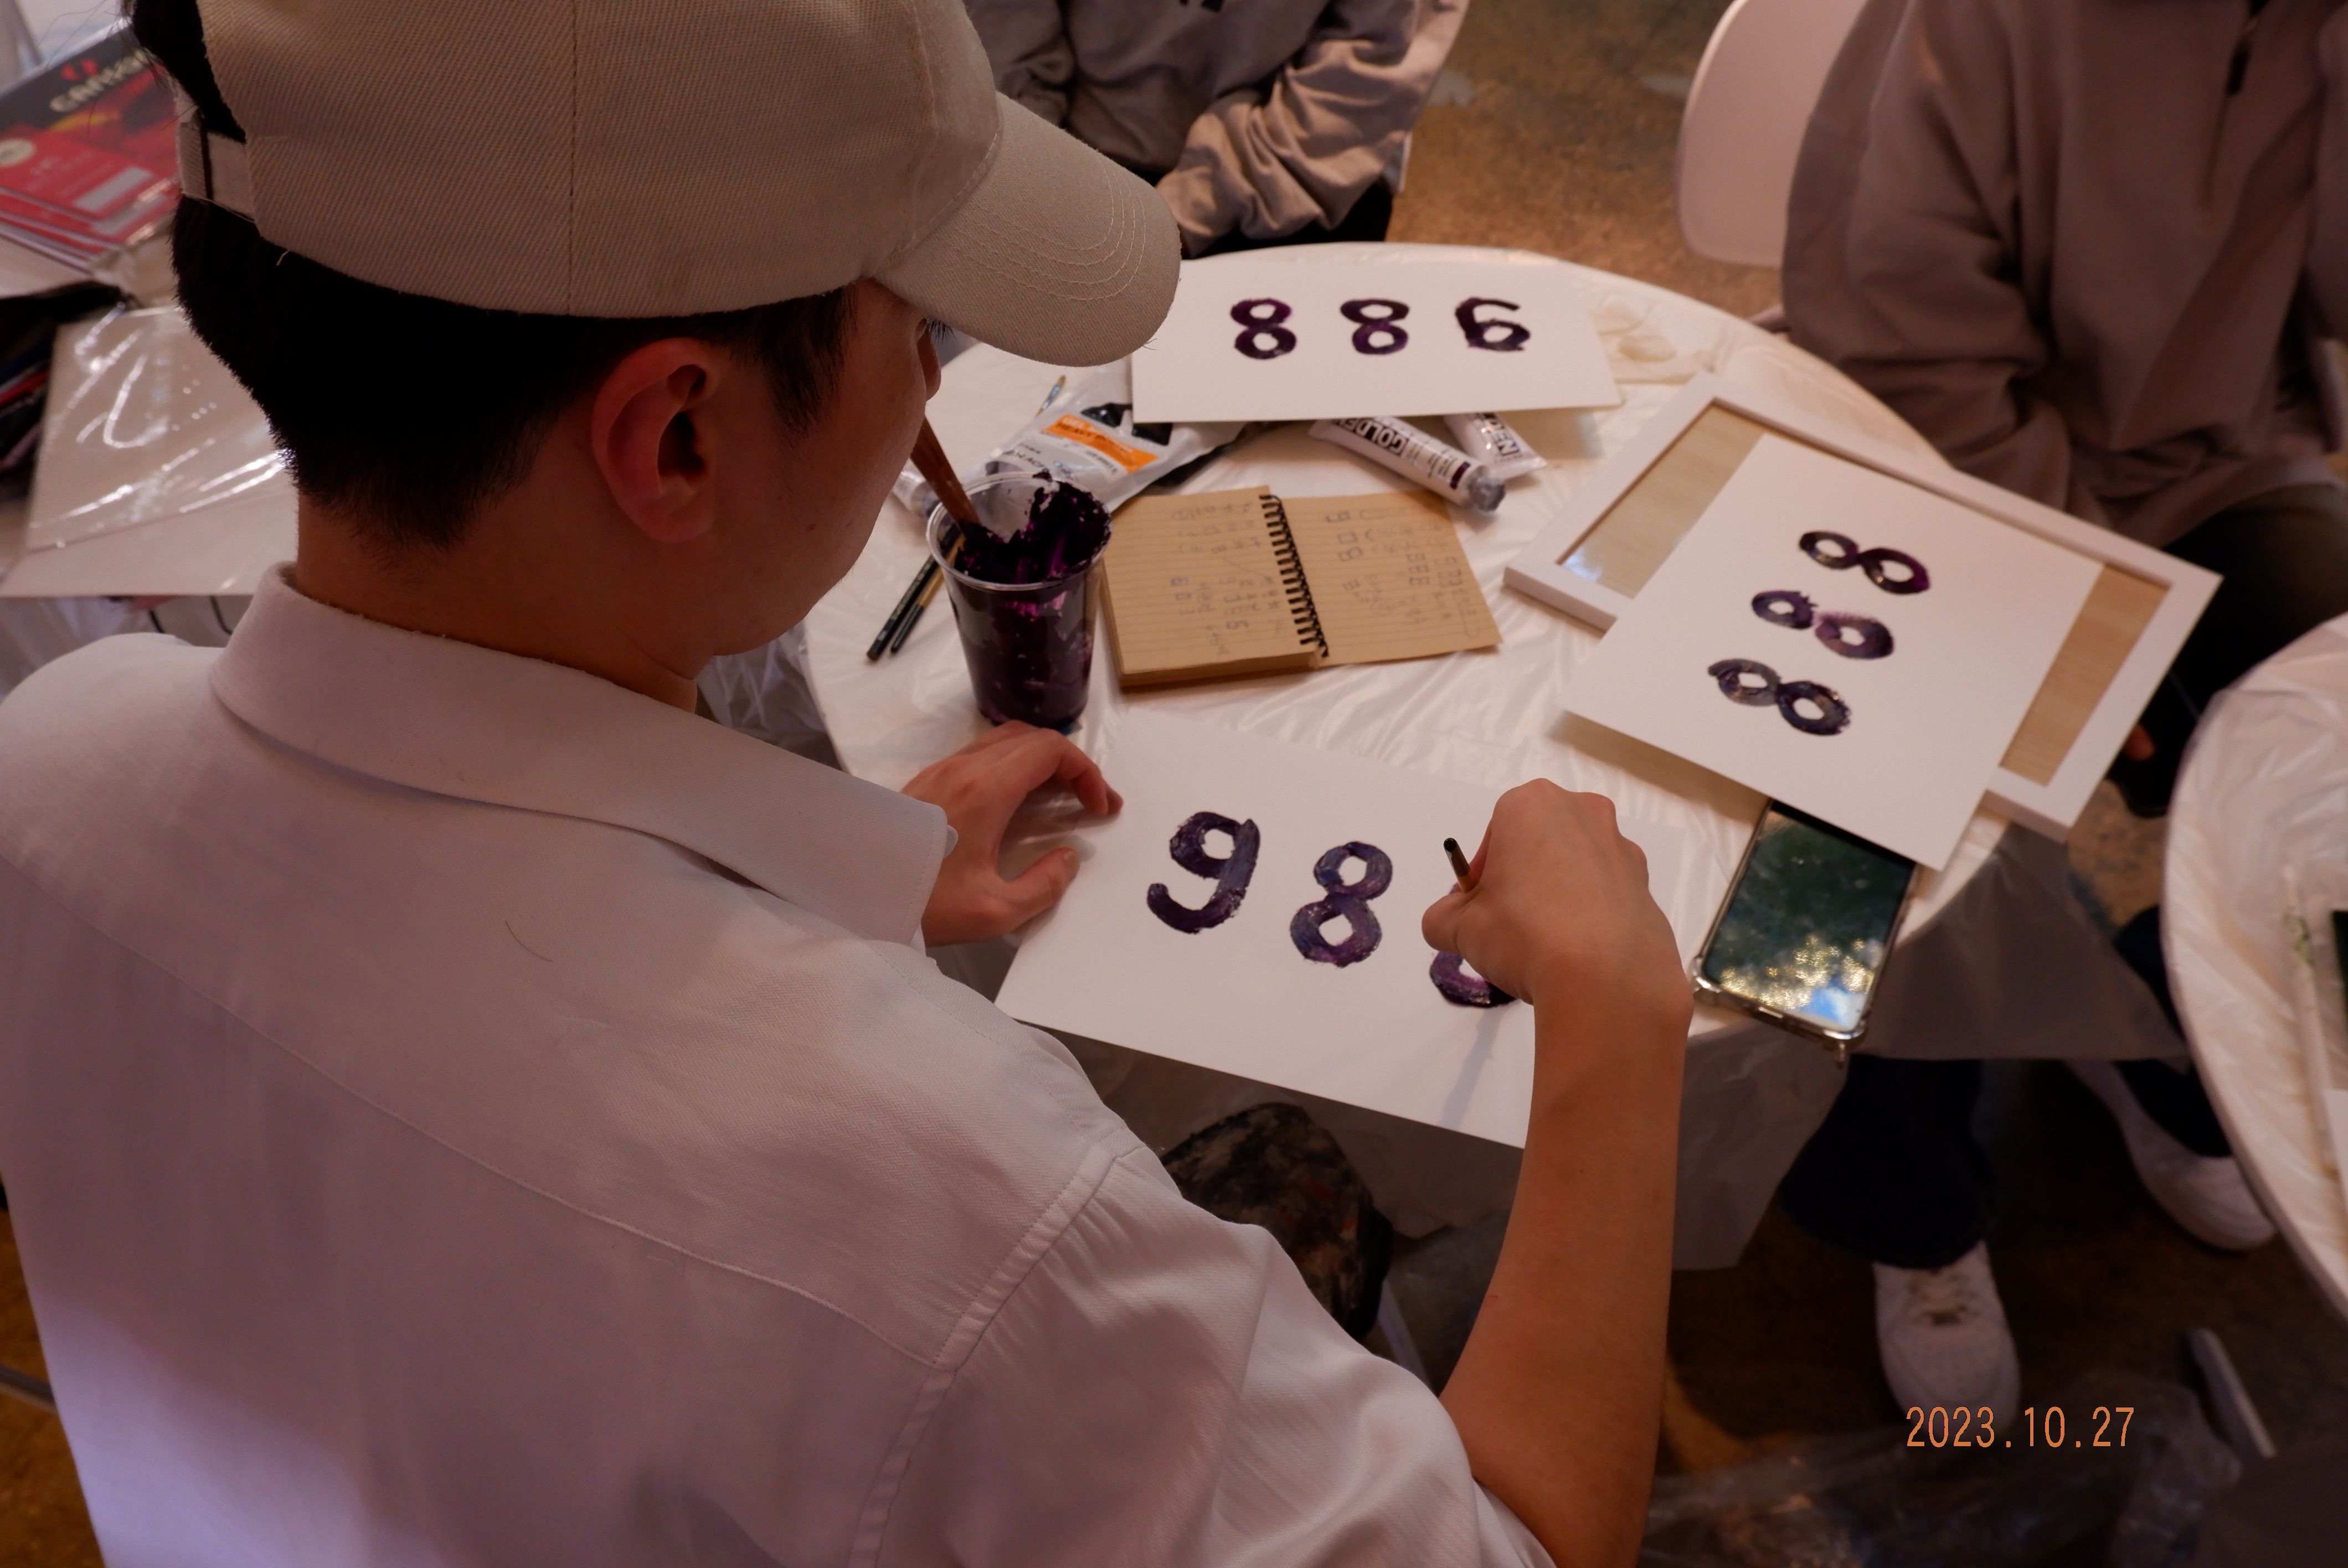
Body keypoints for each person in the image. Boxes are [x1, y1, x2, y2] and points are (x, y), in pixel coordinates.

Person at [0, 0, 1693, 1561]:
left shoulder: (50, 772)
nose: (938, 387)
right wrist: (1615, 1014)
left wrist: (804, 887)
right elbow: (1520, 1545)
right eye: (922, 324)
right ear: (678, 436)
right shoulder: (948, 1213)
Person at [1778, 0, 2339, 1421]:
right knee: (1826, 828)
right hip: (1928, 467)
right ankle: (1903, 1211)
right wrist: (2095, 616)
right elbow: (1899, 350)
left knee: (2319, 759)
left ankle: (2169, 1056)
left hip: (2216, 458)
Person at [965, 0, 1466, 255]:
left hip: (1292, 172)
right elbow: (1003, 33)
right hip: (1072, 146)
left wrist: (1175, 222)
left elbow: (1363, 75)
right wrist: (1036, 172)